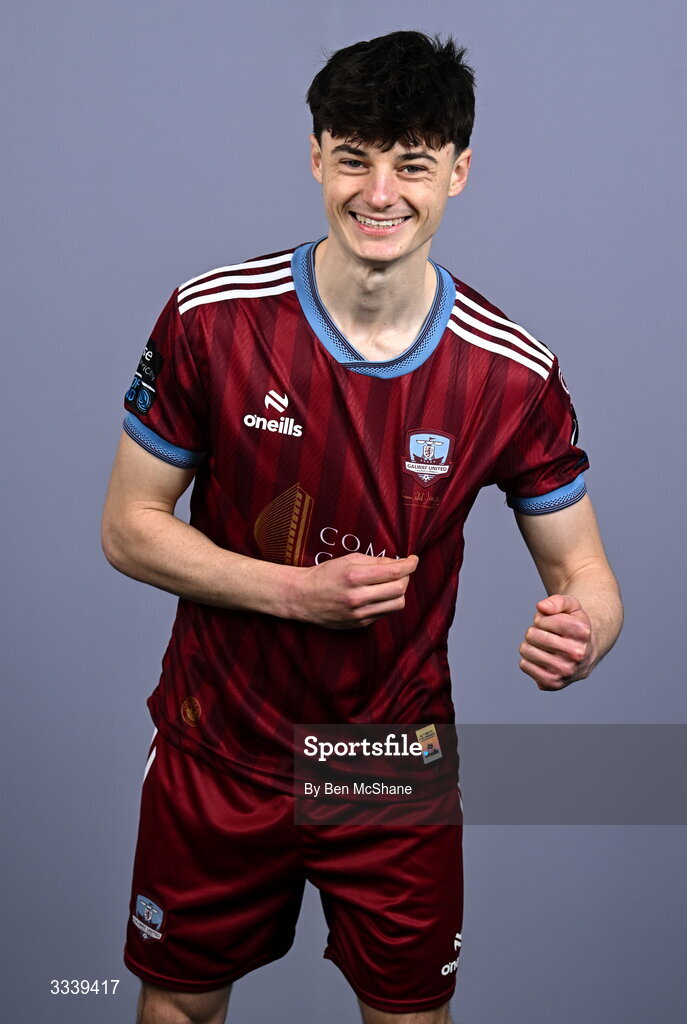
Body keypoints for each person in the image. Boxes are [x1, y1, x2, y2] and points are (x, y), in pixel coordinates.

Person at [101, 29, 623, 1024]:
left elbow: (587, 574)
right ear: (316, 156)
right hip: (222, 744)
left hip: (387, 761)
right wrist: (295, 592)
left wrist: (584, 629)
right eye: (355, 158)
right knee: (175, 1007)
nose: (380, 194)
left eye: (413, 164)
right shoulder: (212, 319)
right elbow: (128, 527)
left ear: (459, 174)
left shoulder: (510, 372)